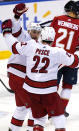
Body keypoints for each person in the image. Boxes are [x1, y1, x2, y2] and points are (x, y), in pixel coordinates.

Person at [2, 18, 79, 131]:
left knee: (38, 118)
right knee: (59, 118)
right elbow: (76, 62)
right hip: (48, 92)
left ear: (41, 36)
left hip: (31, 90)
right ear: (53, 39)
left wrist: (6, 32)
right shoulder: (57, 52)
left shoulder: (31, 46)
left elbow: (13, 46)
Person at [7, 3, 41, 131]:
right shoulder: (24, 36)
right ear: (29, 31)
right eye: (33, 31)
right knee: (35, 105)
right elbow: (16, 29)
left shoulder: (40, 46)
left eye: (37, 32)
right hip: (18, 76)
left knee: (22, 107)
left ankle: (13, 128)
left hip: (19, 77)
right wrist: (16, 16)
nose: (35, 33)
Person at [50, 0, 79, 116]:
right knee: (68, 85)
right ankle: (61, 110)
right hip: (71, 59)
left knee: (52, 85)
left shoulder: (57, 19)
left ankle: (50, 110)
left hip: (55, 57)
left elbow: (49, 37)